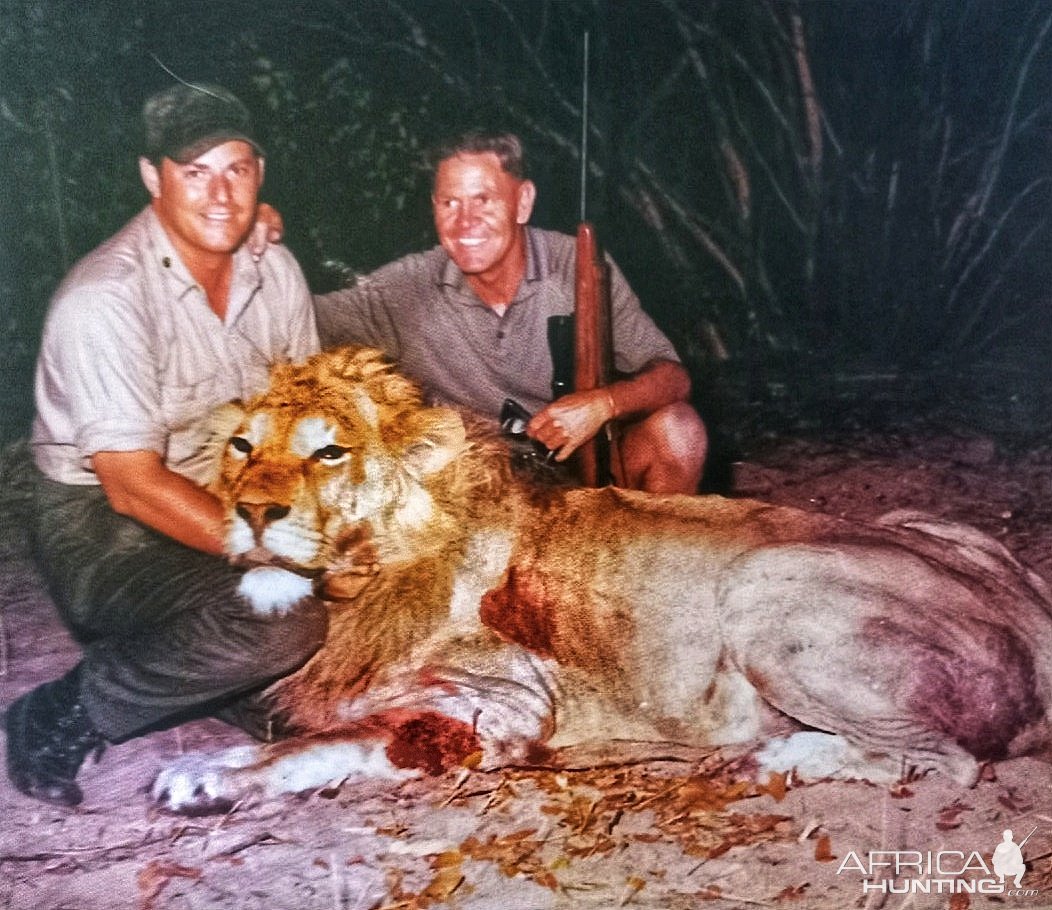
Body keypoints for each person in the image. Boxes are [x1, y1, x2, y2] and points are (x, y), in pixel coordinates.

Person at [5, 83, 325, 808]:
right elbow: (133, 486)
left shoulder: (276, 270)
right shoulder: (104, 299)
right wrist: (284, 551)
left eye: (236, 169)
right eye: (195, 171)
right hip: (102, 525)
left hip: (217, 491)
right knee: (286, 616)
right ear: (153, 177)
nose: (220, 194)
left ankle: (209, 675)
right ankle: (62, 710)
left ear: (260, 175)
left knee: (349, 607)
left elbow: (304, 419)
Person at [312, 131, 707, 494]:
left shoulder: (576, 265)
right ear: (434, 208)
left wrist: (602, 404)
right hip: (481, 493)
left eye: (483, 200)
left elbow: (673, 379)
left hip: (584, 476)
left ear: (523, 202)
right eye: (450, 203)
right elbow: (298, 315)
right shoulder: (407, 287)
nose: (465, 221)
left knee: (679, 431)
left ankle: (647, 563)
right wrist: (255, 241)